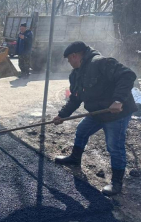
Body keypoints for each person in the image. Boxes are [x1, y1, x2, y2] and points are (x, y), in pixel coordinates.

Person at [53, 41, 138, 196]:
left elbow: (128, 75)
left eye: (69, 59)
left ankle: (116, 183)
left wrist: (118, 100)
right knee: (82, 130)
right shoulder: (76, 74)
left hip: (116, 114)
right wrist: (62, 116)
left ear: (75, 55)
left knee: (114, 146)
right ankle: (75, 158)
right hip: (97, 113)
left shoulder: (101, 63)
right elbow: (75, 99)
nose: (69, 63)